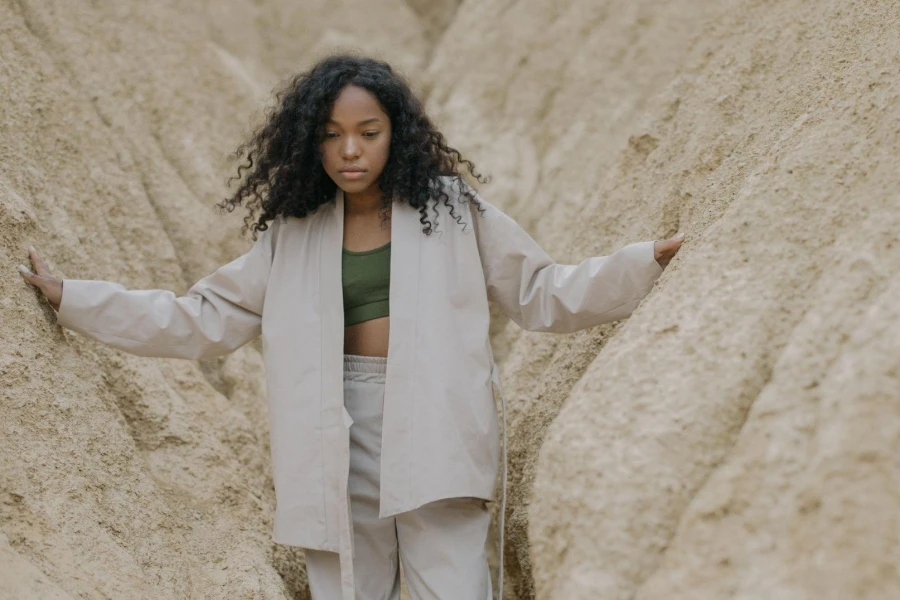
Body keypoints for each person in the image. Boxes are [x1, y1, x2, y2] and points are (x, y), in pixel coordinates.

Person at [19, 53, 684, 600]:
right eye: (332, 134)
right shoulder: (294, 233)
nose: (350, 149)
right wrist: (73, 298)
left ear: (397, 132)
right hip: (335, 425)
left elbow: (543, 293)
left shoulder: (452, 210)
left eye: (368, 131)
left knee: (452, 586)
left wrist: (642, 264)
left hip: (436, 419)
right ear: (310, 141)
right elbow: (200, 318)